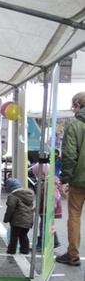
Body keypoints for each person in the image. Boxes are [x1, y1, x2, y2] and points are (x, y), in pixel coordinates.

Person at [56, 91, 85, 266]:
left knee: (74, 215)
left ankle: (73, 254)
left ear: (77, 104)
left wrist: (64, 180)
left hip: (78, 180)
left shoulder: (74, 126)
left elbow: (69, 155)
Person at [30, 162, 61, 251]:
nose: (37, 177)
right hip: (45, 208)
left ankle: (41, 245)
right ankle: (55, 241)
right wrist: (37, 207)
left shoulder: (49, 183)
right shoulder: (45, 182)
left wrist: (50, 206)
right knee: (48, 225)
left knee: (43, 227)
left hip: (47, 209)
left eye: (38, 174)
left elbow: (54, 196)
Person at [3, 178, 34, 255]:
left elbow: (10, 208)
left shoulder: (13, 196)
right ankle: (25, 250)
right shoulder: (28, 195)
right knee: (23, 235)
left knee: (14, 236)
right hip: (28, 220)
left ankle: (11, 250)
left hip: (17, 220)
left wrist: (6, 219)